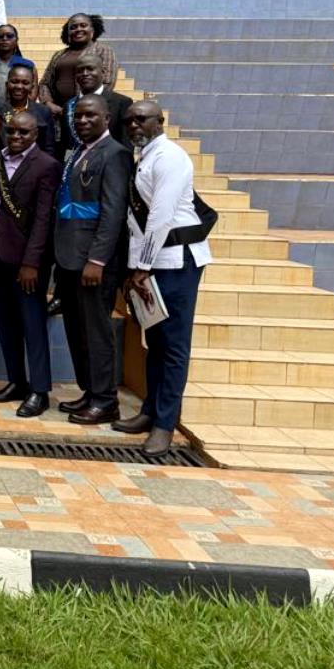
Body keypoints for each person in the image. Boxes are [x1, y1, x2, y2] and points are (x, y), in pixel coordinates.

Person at [120, 100, 213, 456]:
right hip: (152, 262)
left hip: (177, 261)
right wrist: (137, 268)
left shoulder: (170, 157)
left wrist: (141, 267)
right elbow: (135, 223)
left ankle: (165, 424)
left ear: (161, 121)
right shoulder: (144, 156)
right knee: (154, 341)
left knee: (173, 346)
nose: (134, 126)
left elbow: (159, 216)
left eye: (141, 119)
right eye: (129, 121)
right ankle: (150, 411)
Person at [53, 95, 133, 425]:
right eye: (79, 116)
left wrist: (98, 260)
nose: (83, 121)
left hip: (92, 262)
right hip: (69, 257)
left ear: (107, 118)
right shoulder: (79, 153)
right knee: (79, 330)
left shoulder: (115, 154)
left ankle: (105, 399)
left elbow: (113, 212)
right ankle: (90, 390)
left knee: (98, 332)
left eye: (91, 116)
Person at [0, 111, 61, 418]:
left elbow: (43, 219)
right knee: (5, 323)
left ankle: (39, 391)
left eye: (23, 133)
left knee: (32, 326)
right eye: (11, 131)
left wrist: (31, 263)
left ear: (35, 135)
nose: (15, 137)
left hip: (27, 264)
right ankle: (16, 381)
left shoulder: (46, 166)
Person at [39, 13, 118, 118]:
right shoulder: (59, 54)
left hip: (88, 113)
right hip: (57, 114)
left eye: (83, 25)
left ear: (92, 30)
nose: (78, 29)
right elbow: (45, 83)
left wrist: (81, 106)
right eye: (73, 27)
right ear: (68, 33)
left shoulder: (103, 51)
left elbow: (107, 82)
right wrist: (48, 103)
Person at [59, 50, 132, 154]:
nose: (85, 74)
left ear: (103, 72)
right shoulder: (69, 105)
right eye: (80, 70)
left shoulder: (121, 103)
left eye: (90, 69)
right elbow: (65, 144)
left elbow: (126, 145)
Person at [0, 62, 57, 159]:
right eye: (14, 82)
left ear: (32, 87)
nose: (19, 86)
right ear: (7, 84)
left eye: (25, 83)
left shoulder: (43, 112)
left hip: (34, 166)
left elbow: (49, 147)